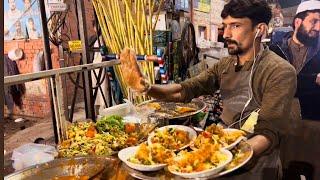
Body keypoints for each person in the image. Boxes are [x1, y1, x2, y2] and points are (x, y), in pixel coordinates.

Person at [120, 0, 300, 179]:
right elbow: (185, 89)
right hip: (220, 151)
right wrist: (147, 88)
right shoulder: (226, 65)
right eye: (225, 26)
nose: (226, 33)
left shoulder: (279, 71)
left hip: (256, 164)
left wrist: (220, 158)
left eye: (235, 26)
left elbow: (268, 133)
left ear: (259, 30)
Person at [271, 0, 320, 121]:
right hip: (276, 120)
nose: (318, 28)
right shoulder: (274, 50)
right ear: (298, 22)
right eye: (314, 21)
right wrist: (313, 80)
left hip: (311, 122)